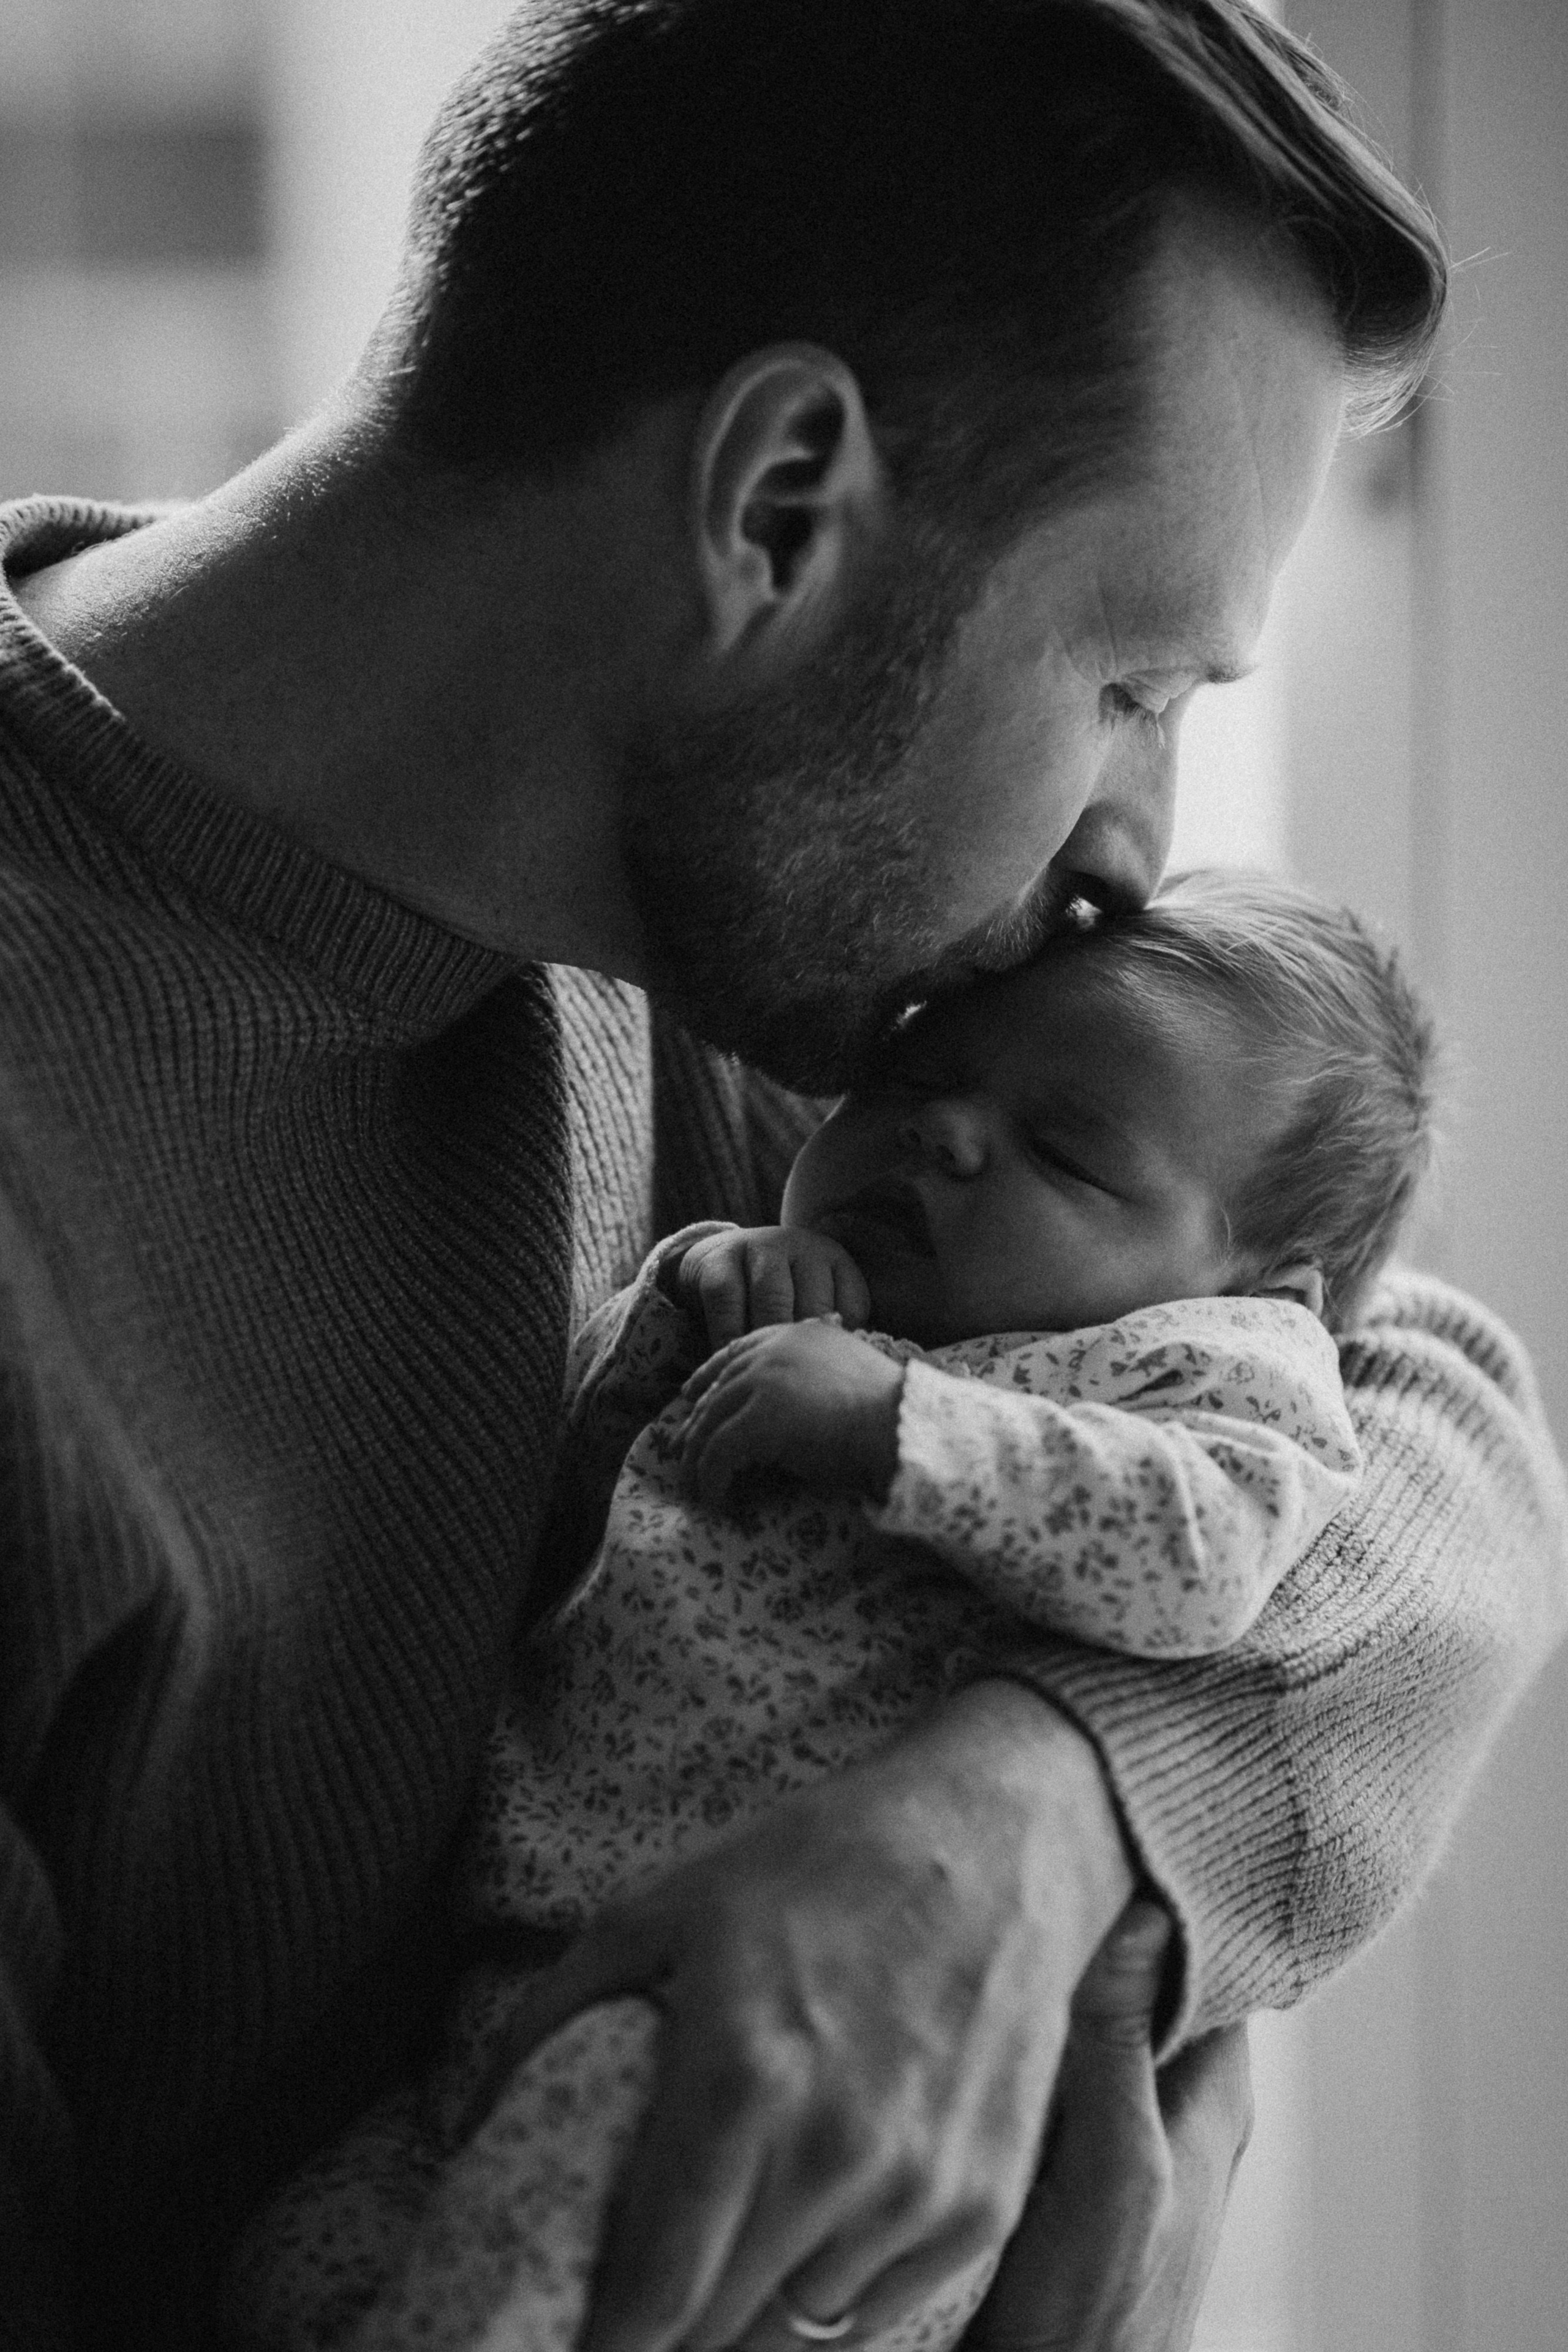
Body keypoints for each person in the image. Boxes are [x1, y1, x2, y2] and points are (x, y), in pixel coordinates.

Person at [0, 5, 1563, 2350]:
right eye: (1133, 685)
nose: (1128, 864)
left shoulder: (718, 963)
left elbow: (1415, 1404)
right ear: (780, 509)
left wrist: (1044, 1820)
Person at [225, 869, 1422, 2352]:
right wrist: (701, 1300)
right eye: (916, 1069)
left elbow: (1198, 1557)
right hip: (523, 1986)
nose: (944, 1128)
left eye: (1063, 1150)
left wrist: (906, 1427)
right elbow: (585, 1484)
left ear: (1255, 1295)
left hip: (772, 2066)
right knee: (295, 2270)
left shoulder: (1199, 1381)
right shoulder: (825, 1282)